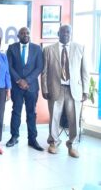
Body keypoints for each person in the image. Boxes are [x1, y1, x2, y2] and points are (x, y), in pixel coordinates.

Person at [41, 25, 89, 158]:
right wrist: (44, 89)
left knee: (73, 119)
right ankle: (53, 143)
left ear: (71, 33)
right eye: (63, 32)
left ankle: (72, 146)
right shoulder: (48, 50)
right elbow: (44, 72)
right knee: (54, 117)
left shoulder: (80, 48)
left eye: (68, 32)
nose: (66, 34)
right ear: (58, 33)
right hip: (55, 88)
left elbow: (84, 71)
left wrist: (85, 90)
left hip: (74, 90)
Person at [6, 27, 44, 151]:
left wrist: (26, 81)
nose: (25, 35)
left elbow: (39, 67)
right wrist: (18, 80)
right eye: (22, 33)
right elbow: (9, 66)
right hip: (17, 87)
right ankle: (14, 137)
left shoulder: (37, 49)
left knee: (31, 113)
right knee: (16, 112)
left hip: (31, 86)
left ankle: (32, 139)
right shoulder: (12, 48)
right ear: (18, 36)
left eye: (27, 33)